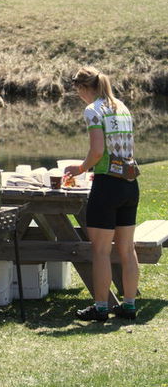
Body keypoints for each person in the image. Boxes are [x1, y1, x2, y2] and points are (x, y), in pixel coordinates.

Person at [64, 66, 140, 321]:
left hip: (107, 184)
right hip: (130, 182)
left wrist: (80, 168)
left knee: (100, 251)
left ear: (84, 87)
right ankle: (128, 305)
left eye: (77, 91)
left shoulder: (93, 110)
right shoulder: (121, 106)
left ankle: (100, 307)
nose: (79, 96)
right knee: (127, 249)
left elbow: (97, 151)